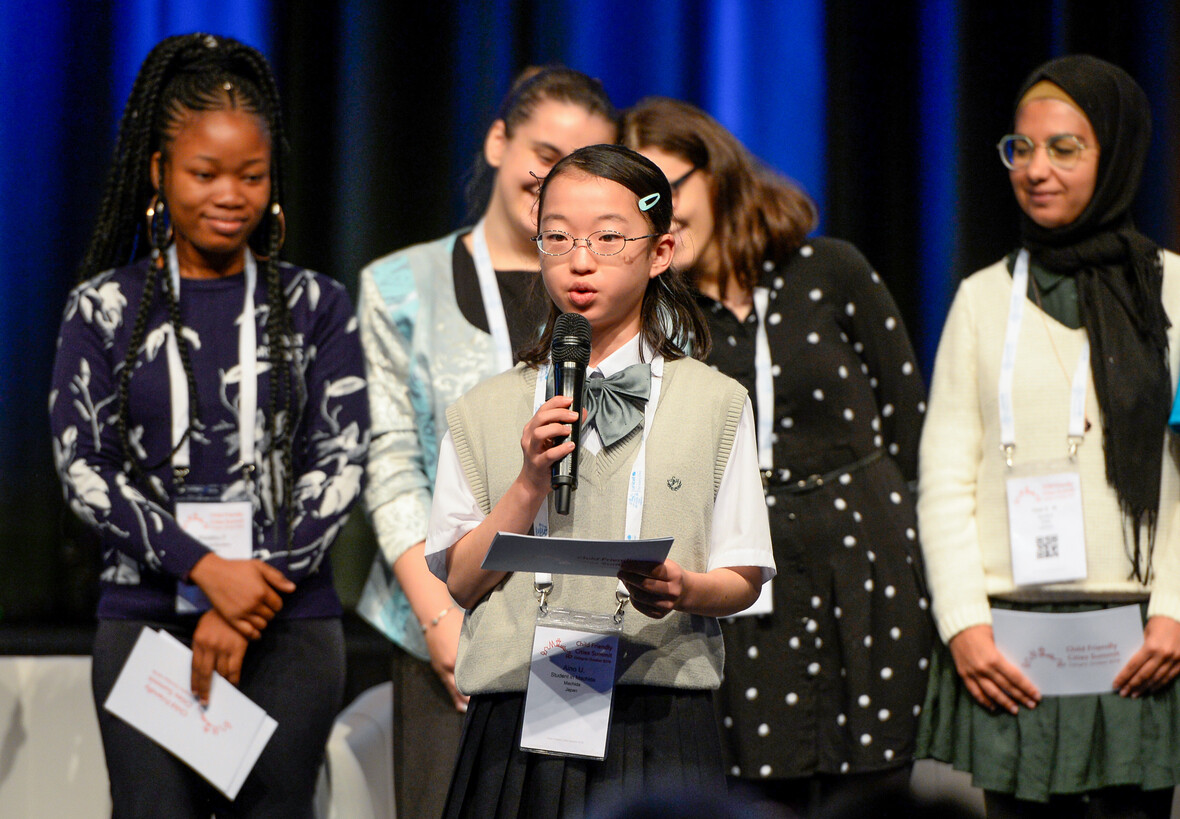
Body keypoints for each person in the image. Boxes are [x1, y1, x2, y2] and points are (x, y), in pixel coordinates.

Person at [49, 34, 369, 817]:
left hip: (287, 623)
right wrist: (204, 568)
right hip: (148, 619)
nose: (231, 194)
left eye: (251, 175)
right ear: (159, 172)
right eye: (205, 173)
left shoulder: (317, 305)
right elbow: (83, 468)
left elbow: (342, 460)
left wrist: (245, 593)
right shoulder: (103, 307)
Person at [423, 143, 775, 817]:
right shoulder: (484, 409)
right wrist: (529, 482)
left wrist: (683, 588)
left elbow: (745, 573)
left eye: (609, 238)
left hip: (659, 712)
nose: (580, 260)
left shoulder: (716, 402)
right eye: (558, 237)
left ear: (660, 251)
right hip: (516, 713)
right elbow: (462, 582)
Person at [623, 98, 932, 815]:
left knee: (873, 796)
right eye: (636, 207)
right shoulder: (655, 321)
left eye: (665, 191)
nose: (656, 217)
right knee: (757, 794)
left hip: (866, 571)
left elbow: (910, 425)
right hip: (738, 578)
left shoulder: (830, 270)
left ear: (715, 171)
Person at [917, 55, 1180, 817]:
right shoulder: (981, 298)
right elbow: (944, 480)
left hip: (1141, 640)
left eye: (1065, 148)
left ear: (1116, 153)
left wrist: (1175, 608)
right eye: (1021, 148)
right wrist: (964, 623)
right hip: (1010, 645)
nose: (1036, 169)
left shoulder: (1172, 290)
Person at [354, 66, 617, 817]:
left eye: (582, 164)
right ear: (499, 141)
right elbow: (390, 465)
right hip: (445, 623)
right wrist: (442, 615)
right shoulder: (401, 286)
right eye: (544, 154)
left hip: (582, 625)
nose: (555, 178)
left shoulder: (612, 289)